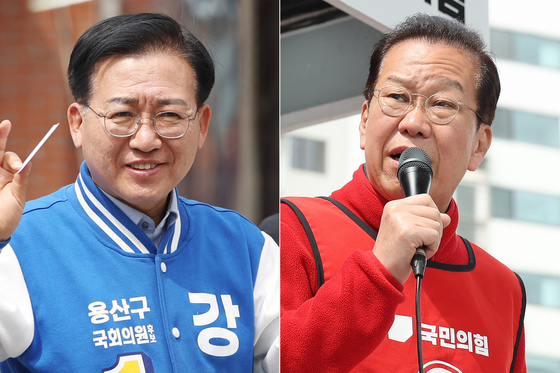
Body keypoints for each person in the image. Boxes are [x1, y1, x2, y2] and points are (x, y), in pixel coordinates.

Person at [0, 13, 279, 373]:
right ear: (77, 123)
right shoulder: (19, 248)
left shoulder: (247, 248)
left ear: (203, 125)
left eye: (169, 116)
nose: (146, 140)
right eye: (122, 114)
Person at [281, 14, 526, 372]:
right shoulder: (294, 229)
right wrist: (379, 270)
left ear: (479, 146)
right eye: (396, 96)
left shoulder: (504, 289)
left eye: (442, 104)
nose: (413, 122)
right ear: (365, 121)